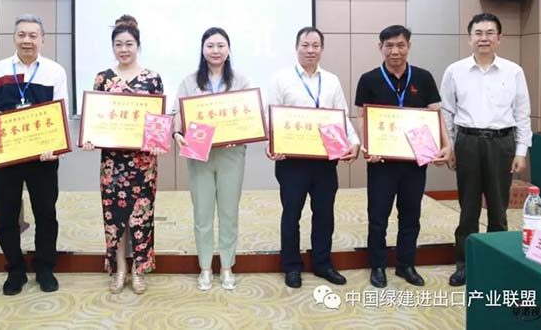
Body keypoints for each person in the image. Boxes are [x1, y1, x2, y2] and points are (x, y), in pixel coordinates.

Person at [0, 14, 68, 296]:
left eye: (33, 35)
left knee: (46, 213)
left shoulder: (54, 71)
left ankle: (44, 268)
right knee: (6, 215)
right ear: (14, 38)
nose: (27, 40)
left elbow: (61, 112)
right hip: (6, 155)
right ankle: (15, 270)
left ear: (42, 39)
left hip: (42, 158)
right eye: (22, 35)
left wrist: (56, 147)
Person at [355, 25, 451, 288]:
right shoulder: (368, 79)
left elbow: (435, 113)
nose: (395, 51)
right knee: (378, 216)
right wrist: (367, 145)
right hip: (382, 164)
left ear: (409, 46)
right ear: (380, 47)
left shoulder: (423, 77)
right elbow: (362, 117)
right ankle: (377, 265)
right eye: (389, 46)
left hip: (414, 163)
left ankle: (406, 264)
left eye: (400, 45)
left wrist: (447, 144)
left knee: (410, 215)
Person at [440, 13, 531, 287]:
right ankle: (464, 264)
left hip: (501, 144)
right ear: (469, 38)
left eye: (490, 33)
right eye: (478, 33)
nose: (484, 38)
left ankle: (496, 263)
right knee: (468, 209)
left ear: (499, 38)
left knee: (498, 209)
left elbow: (522, 113)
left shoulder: (513, 71)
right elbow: (446, 112)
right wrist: (449, 146)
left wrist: (521, 151)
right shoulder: (454, 71)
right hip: (467, 143)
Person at [266, 26, 360, 289]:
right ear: (296, 47)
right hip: (292, 161)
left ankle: (322, 263)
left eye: (315, 45)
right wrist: (273, 144)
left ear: (322, 49)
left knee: (324, 213)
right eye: (305, 45)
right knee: (291, 213)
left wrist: (353, 142)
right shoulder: (281, 79)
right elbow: (270, 116)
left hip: (325, 160)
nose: (310, 50)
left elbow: (342, 116)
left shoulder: (331, 80)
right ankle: (291, 266)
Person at [82, 15, 164, 295]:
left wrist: (157, 141)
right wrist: (90, 138)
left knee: (141, 216)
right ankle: (119, 269)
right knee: (115, 217)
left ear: (138, 45)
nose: (124, 49)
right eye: (118, 44)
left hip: (144, 163)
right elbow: (95, 119)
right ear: (112, 47)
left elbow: (158, 120)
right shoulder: (103, 78)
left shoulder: (152, 78)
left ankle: (139, 270)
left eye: (129, 44)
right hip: (113, 163)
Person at [172, 27, 251, 291]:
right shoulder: (189, 81)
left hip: (231, 154)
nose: (215, 51)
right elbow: (178, 113)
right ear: (202, 50)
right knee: (202, 213)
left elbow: (251, 116)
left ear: (228, 50)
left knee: (229, 212)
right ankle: (205, 267)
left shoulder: (241, 81)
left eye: (220, 45)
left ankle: (227, 266)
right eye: (210, 46)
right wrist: (177, 133)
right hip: (199, 154)